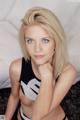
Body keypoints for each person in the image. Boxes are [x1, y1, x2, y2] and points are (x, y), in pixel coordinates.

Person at [5, 7, 77, 120]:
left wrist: (47, 76)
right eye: (30, 41)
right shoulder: (17, 68)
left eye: (45, 40)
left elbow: (37, 116)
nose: (37, 49)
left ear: (56, 42)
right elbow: (14, 97)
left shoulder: (67, 72)